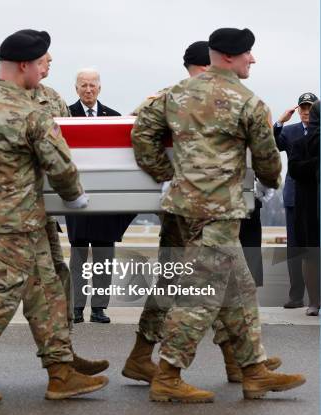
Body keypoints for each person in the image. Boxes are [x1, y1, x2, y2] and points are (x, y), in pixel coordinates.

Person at [0, 29, 109, 404]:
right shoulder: (32, 111)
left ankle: (61, 372)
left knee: (47, 289)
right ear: (25, 65)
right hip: (18, 218)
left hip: (1, 215)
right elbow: (60, 164)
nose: (44, 73)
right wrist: (75, 198)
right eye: (41, 64)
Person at [131, 27, 305, 403]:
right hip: (217, 212)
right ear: (229, 57)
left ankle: (253, 368)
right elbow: (267, 157)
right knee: (201, 294)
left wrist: (166, 175)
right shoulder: (247, 101)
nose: (252, 60)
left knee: (239, 289)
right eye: (248, 54)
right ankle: (169, 374)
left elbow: (142, 133)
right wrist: (271, 182)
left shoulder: (175, 93)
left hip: (181, 207)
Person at [66, 68, 135, 324]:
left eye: (92, 85)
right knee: (79, 257)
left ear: (99, 88)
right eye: (83, 85)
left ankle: (98, 308)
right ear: (76, 88)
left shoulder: (113, 118)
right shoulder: (65, 116)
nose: (88, 89)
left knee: (104, 258)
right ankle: (75, 307)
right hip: (77, 196)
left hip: (106, 201)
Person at [274, 92, 318, 308]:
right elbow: (271, 144)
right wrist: (280, 122)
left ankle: (316, 299)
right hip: (294, 197)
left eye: (310, 108)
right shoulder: (290, 132)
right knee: (295, 247)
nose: (306, 112)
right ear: (298, 110)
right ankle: (296, 296)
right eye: (303, 108)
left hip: (316, 197)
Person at [288, 100, 320, 316]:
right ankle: (314, 302)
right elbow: (295, 169)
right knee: (310, 255)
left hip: (311, 209)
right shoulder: (301, 143)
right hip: (310, 209)